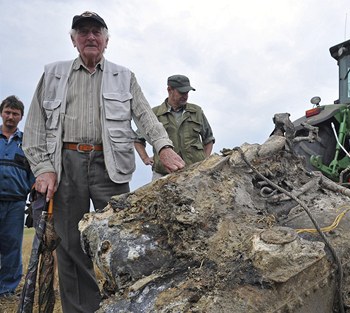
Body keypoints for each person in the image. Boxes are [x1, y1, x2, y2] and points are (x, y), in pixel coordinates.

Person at [22, 11, 185, 312]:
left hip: (111, 166)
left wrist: (163, 146)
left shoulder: (124, 76)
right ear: (73, 40)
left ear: (107, 40)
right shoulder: (53, 74)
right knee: (70, 247)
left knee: (122, 240)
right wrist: (44, 169)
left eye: (96, 31)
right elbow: (33, 128)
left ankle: (130, 304)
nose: (90, 37)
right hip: (65, 165)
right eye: (83, 32)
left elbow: (146, 116)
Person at [135, 75, 215, 178]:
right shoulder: (154, 114)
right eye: (181, 92)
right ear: (170, 90)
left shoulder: (197, 111)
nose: (185, 96)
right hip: (163, 174)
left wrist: (205, 162)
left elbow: (208, 139)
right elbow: (138, 139)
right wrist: (145, 158)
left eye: (187, 92)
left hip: (195, 173)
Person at [0, 96, 35, 298]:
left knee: (12, 246)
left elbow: (33, 174)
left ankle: (6, 289)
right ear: (1, 112)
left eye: (15, 113)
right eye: (7, 112)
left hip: (16, 202)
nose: (11, 116)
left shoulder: (26, 144)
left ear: (21, 117)